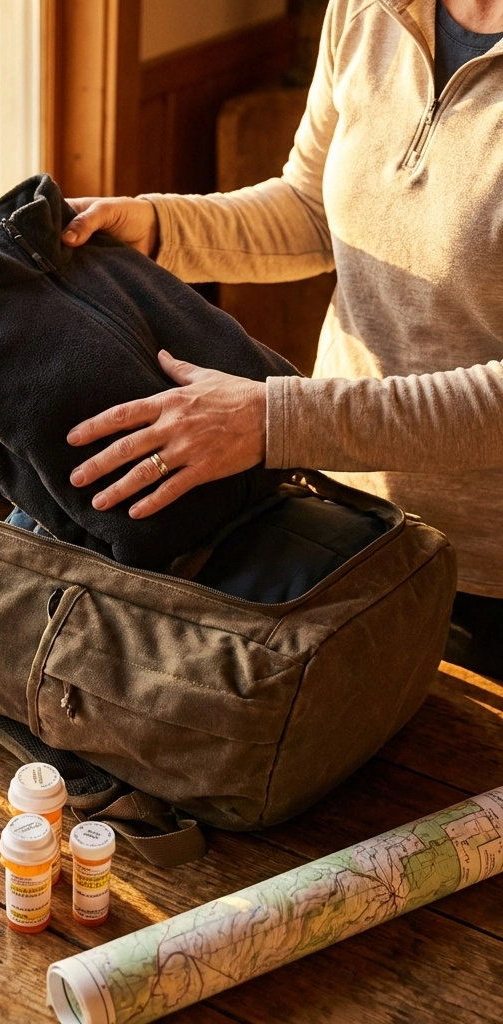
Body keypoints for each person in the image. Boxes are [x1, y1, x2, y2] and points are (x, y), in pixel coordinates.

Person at [61, 0, 503, 677]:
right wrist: (155, 228)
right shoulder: (369, 9)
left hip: (489, 574)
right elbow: (309, 210)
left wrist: (273, 419)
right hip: (352, 521)